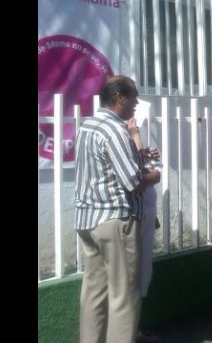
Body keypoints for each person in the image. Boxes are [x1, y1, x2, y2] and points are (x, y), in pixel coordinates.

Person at [74, 76, 162, 343]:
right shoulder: (115, 130)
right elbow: (132, 181)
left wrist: (141, 154)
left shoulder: (88, 125)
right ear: (120, 97)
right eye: (134, 96)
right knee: (124, 295)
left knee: (94, 292)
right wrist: (154, 175)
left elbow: (106, 168)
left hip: (88, 219)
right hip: (115, 219)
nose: (136, 102)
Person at [126, 118, 162, 343]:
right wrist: (153, 173)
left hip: (145, 217)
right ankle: (127, 332)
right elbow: (138, 179)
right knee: (132, 277)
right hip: (133, 221)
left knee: (142, 274)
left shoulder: (133, 148)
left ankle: (134, 329)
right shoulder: (119, 141)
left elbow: (143, 166)